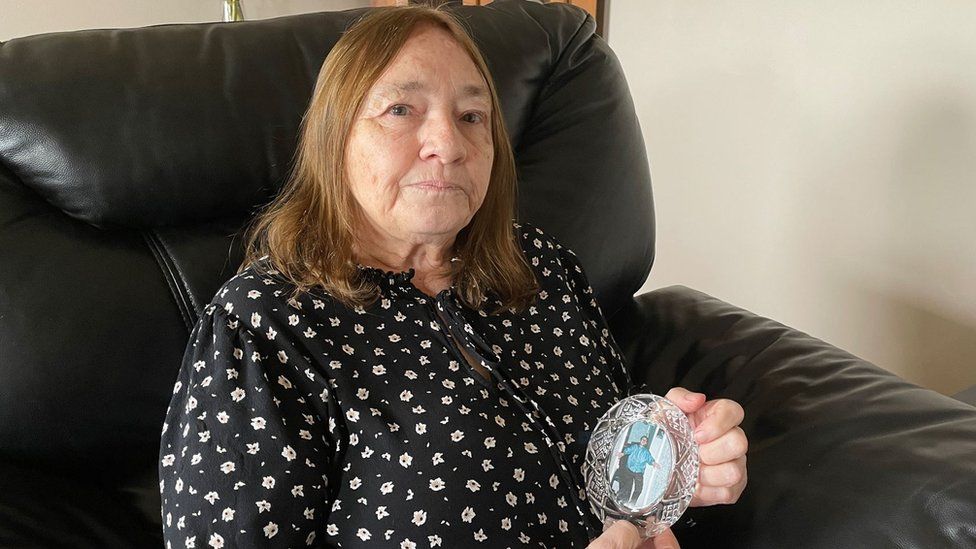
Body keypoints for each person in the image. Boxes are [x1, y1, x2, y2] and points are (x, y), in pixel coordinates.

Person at [157, 5, 748, 549]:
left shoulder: (543, 270)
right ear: (335, 139)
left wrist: (679, 468)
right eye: (400, 110)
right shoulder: (263, 326)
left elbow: (614, 476)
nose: (448, 143)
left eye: (471, 116)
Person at [616, 435, 662, 505]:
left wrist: (654, 464)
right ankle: (621, 499)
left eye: (645, 440)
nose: (644, 441)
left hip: (639, 473)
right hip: (629, 470)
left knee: (638, 489)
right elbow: (627, 450)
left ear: (646, 443)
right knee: (627, 486)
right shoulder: (634, 447)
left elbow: (650, 459)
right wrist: (622, 454)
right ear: (640, 440)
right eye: (643, 439)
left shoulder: (646, 452)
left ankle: (632, 503)